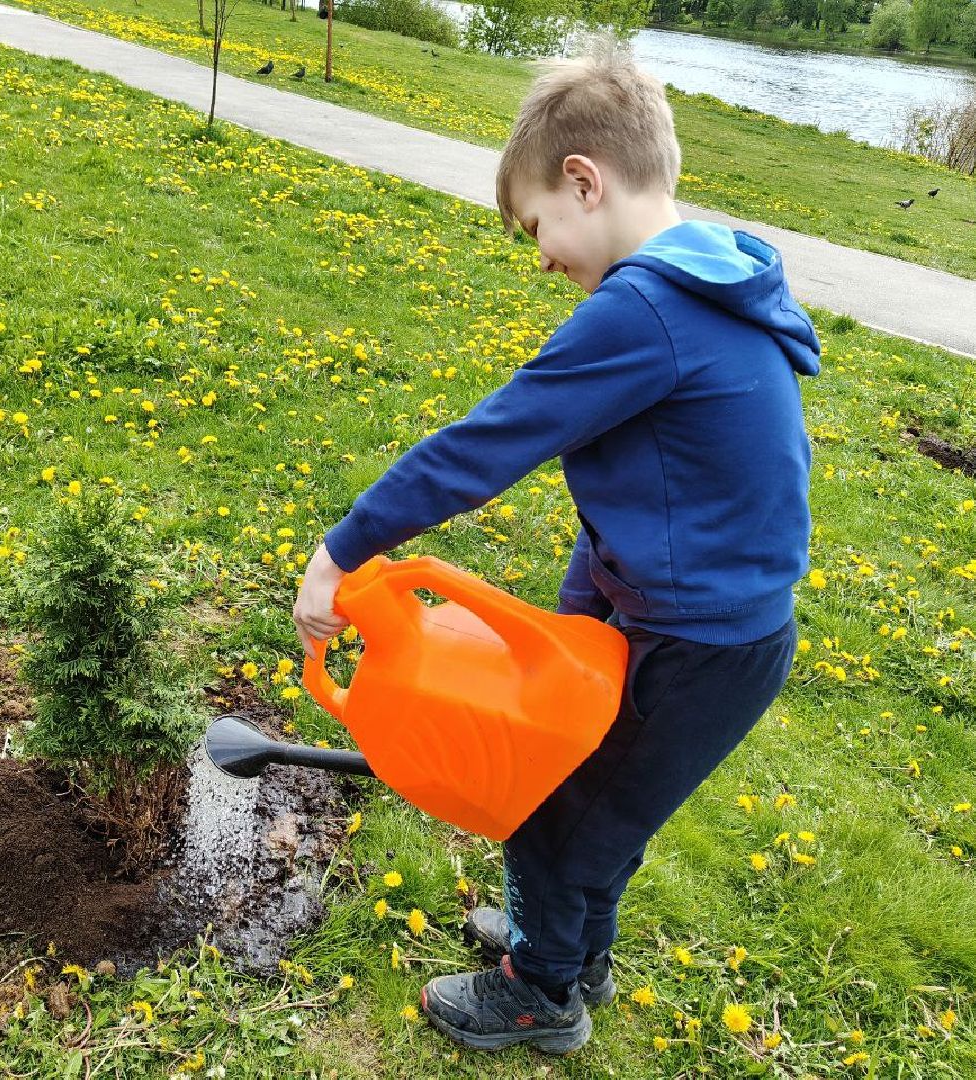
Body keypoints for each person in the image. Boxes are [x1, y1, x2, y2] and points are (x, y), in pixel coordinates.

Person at [292, 35, 820, 1056]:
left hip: (701, 644)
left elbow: (489, 443)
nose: (541, 255)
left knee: (559, 807)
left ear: (585, 181)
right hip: (681, 613)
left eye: (538, 225)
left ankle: (540, 993)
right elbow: (676, 489)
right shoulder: (712, 280)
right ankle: (572, 946)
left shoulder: (646, 310)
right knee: (591, 800)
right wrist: (581, 611)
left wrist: (341, 551)